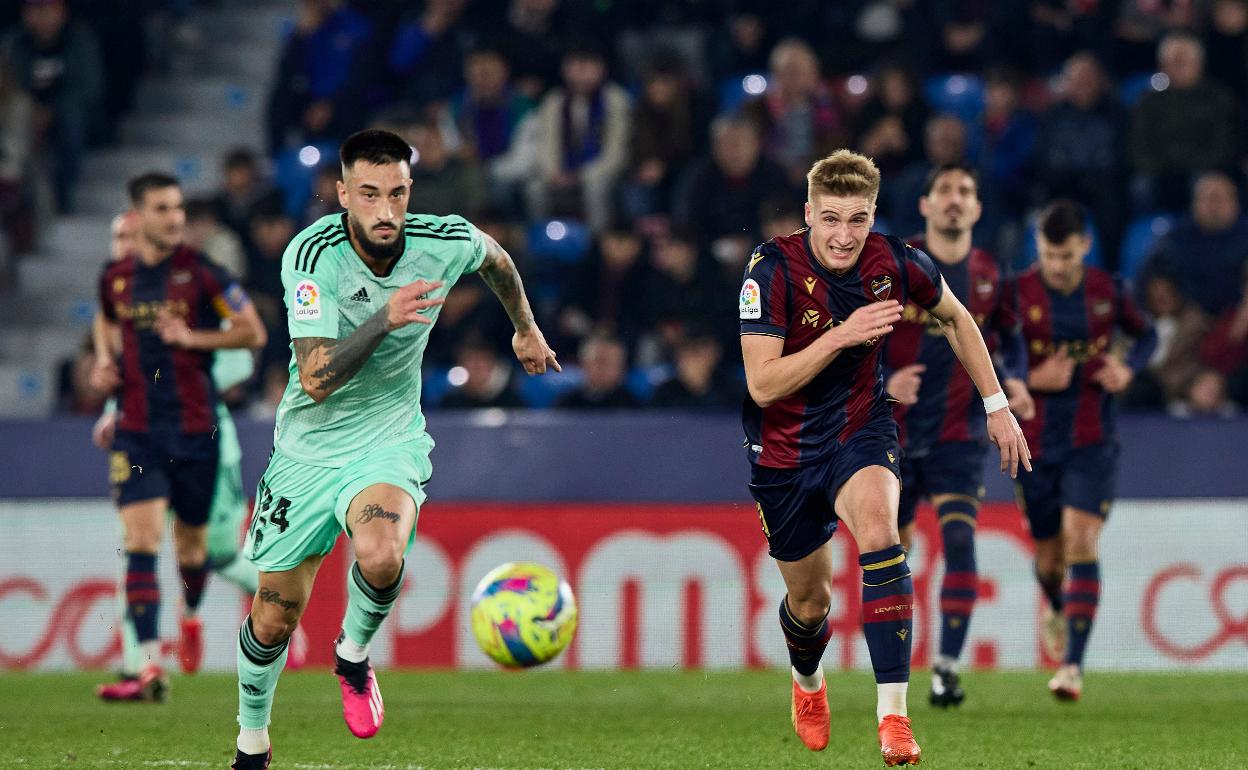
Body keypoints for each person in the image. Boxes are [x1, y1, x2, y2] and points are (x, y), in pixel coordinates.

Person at [229, 129, 558, 770]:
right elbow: (317, 379)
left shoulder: (442, 241)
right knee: (273, 617)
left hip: (388, 440)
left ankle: (352, 654)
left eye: (399, 194)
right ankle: (252, 740)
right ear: (344, 194)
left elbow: (495, 259)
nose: (386, 211)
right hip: (306, 449)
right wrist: (384, 319)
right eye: (371, 195)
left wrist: (525, 328)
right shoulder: (310, 256)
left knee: (380, 556)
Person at [739, 149, 1030, 766]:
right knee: (810, 604)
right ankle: (809, 683)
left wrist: (996, 404)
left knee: (881, 536)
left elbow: (957, 318)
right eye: (832, 219)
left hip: (860, 432)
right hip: (784, 451)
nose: (845, 236)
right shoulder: (770, 270)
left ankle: (893, 716)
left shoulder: (896, 260)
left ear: (874, 215)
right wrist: (842, 334)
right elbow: (764, 385)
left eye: (859, 219)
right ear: (808, 214)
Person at [93, 212, 302, 702]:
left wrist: (192, 354)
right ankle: (138, 668)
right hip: (143, 440)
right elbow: (130, 377)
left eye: (128, 236)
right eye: (116, 238)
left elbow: (239, 359)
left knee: (216, 554)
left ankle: (270, 613)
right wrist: (110, 406)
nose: (123, 246)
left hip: (205, 442)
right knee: (138, 547)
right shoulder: (122, 306)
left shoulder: (186, 293)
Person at [882, 163, 1033, 708]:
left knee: (961, 542)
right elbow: (856, 337)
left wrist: (1012, 378)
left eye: (965, 191)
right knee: (890, 556)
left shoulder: (991, 274)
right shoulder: (896, 264)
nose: (954, 199)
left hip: (959, 431)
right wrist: (884, 380)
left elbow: (1011, 337)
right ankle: (892, 673)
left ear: (977, 209)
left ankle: (945, 668)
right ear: (924, 205)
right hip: (889, 431)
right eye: (943, 190)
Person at [1014, 200, 1154, 701]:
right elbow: (988, 356)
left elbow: (1146, 334)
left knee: (1081, 542)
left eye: (1068, 256)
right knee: (1050, 560)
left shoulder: (1109, 291)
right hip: (1033, 444)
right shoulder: (1017, 294)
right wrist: (1030, 378)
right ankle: (1055, 601)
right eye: (1051, 255)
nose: (1058, 266)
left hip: (1093, 439)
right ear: (1039, 248)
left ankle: (1071, 667)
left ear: (1085, 247)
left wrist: (1129, 368)